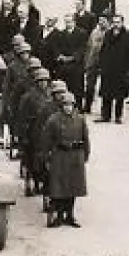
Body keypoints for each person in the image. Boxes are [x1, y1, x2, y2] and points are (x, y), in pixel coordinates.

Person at [40, 92, 91, 227]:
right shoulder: (53, 120)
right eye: (65, 105)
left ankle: (70, 215)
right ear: (61, 106)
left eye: (70, 105)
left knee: (73, 187)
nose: (68, 107)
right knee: (60, 188)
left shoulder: (80, 119)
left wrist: (86, 155)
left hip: (75, 156)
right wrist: (46, 157)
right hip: (60, 156)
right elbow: (46, 140)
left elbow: (85, 138)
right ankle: (59, 216)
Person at [96, 15, 129, 124]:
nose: (116, 24)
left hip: (121, 70)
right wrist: (101, 64)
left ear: (122, 23)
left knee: (119, 95)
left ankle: (118, 116)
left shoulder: (128, 36)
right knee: (106, 94)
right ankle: (105, 116)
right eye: (114, 22)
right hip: (108, 69)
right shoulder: (108, 34)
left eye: (118, 22)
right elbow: (103, 50)